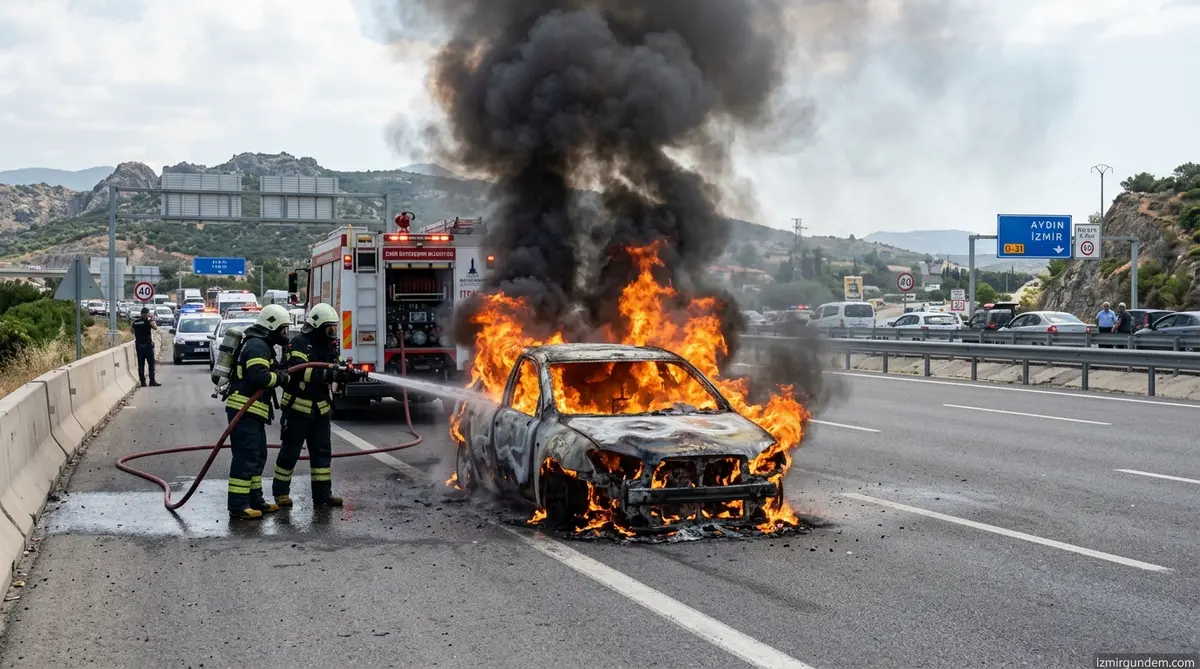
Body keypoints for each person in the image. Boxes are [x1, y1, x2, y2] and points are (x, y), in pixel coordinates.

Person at [272, 303, 361, 508]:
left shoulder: (330, 344)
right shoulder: (299, 343)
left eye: (334, 328)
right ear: (317, 326)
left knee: (322, 453)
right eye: (329, 328)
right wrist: (330, 374)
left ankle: (323, 496)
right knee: (290, 453)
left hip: (320, 409)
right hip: (298, 409)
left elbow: (335, 364)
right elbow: (298, 371)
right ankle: (281, 494)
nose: (332, 332)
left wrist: (346, 373)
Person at [224, 304, 293, 520]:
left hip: (253, 411)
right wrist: (282, 378)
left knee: (257, 456)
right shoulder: (256, 346)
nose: (286, 334)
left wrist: (281, 370)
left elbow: (267, 370)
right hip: (244, 409)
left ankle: (255, 500)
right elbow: (259, 377)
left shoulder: (263, 345)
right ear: (272, 326)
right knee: (245, 458)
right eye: (284, 329)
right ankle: (238, 506)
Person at [131, 307, 161, 387]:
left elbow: (132, 331)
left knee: (141, 365)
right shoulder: (149, 321)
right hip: (147, 346)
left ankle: (143, 382)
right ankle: (152, 381)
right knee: (151, 364)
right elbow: (155, 327)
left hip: (139, 346)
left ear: (141, 313)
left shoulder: (136, 322)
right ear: (147, 313)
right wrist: (151, 318)